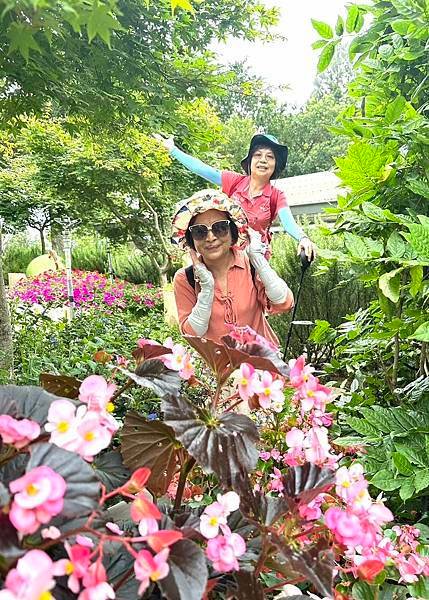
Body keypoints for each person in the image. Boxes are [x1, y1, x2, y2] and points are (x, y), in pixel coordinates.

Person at [156, 132, 316, 260]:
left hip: (255, 261)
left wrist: (303, 238)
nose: (263, 160)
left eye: (270, 157)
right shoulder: (234, 182)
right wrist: (173, 150)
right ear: (250, 161)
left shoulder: (276, 196)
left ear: (275, 165)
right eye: (258, 155)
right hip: (224, 255)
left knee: (270, 295)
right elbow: (202, 169)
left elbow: (289, 224)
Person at [171, 189, 294, 347]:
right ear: (191, 238)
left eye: (220, 228)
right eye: (200, 231)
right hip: (220, 369)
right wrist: (207, 288)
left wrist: (258, 260)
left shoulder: (250, 264)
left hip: (263, 367)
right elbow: (192, 335)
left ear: (233, 232)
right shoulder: (185, 278)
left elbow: (284, 303)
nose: (211, 238)